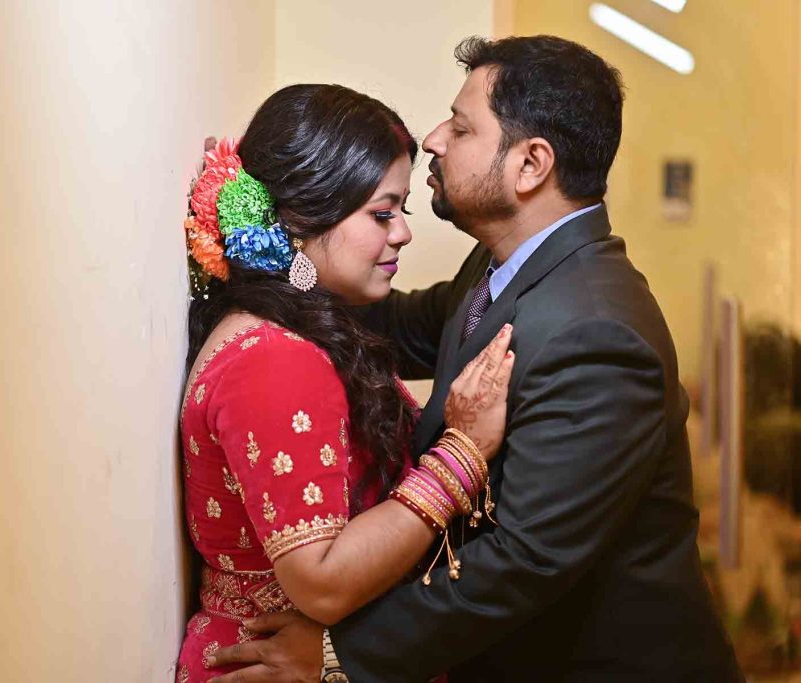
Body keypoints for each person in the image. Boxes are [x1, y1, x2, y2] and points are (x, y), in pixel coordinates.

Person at [208, 36, 742, 682]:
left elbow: (520, 559)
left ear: (530, 165)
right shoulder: (505, 265)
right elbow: (392, 323)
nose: (434, 138)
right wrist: (274, 250)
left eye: (462, 127)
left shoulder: (600, 333)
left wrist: (332, 654)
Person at [175, 84, 515, 683]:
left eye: (401, 212)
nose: (403, 233)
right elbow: (323, 582)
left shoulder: (296, 332)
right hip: (276, 663)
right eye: (382, 213)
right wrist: (463, 455)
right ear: (303, 216)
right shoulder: (277, 359)